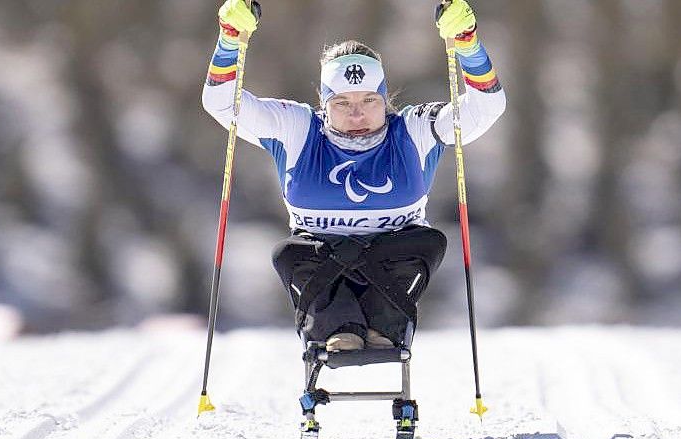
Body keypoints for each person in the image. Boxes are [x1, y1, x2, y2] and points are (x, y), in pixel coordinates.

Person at [202, 0, 505, 352]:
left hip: (392, 262)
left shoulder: (415, 128)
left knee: (431, 241)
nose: (357, 115)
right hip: (322, 261)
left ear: (385, 98)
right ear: (323, 103)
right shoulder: (298, 127)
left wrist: (467, 44)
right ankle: (337, 329)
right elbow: (222, 103)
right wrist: (229, 40)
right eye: (343, 103)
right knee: (286, 253)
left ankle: (384, 326)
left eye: (369, 101)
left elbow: (486, 108)